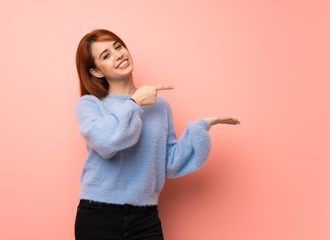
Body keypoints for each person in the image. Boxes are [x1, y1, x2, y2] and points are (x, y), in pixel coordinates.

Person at [74, 29, 240, 240]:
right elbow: (107, 144)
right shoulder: (89, 104)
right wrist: (134, 104)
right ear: (96, 72)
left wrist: (202, 127)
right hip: (98, 215)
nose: (118, 55)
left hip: (145, 216)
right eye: (106, 55)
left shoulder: (160, 106)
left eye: (118, 47)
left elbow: (169, 163)